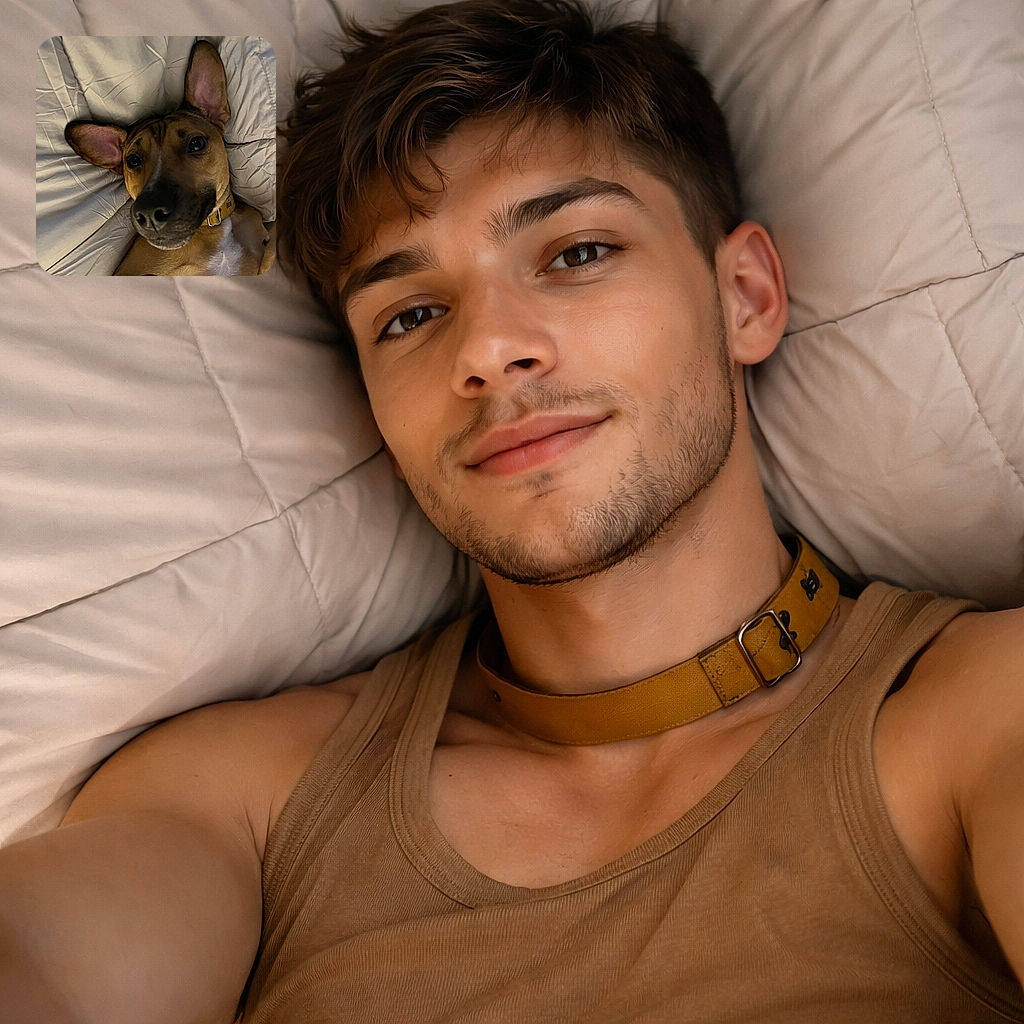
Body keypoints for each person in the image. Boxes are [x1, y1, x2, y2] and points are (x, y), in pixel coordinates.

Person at [2, 1, 1023, 1020]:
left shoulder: (979, 712)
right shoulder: (242, 797)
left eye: (575, 253)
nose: (485, 351)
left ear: (745, 296)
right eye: (409, 315)